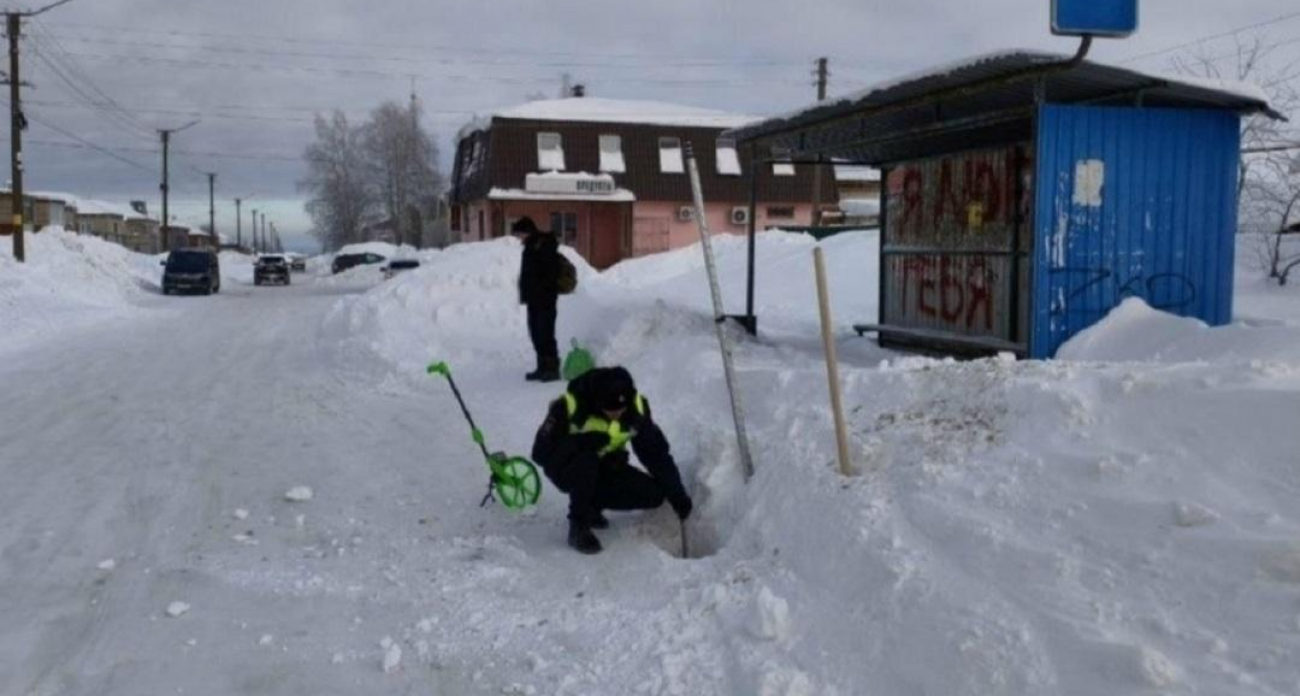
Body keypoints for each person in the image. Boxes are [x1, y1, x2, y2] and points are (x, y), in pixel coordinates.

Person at [531, 366, 693, 554]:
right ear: (597, 402)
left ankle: (593, 505)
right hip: (568, 469)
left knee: (654, 494)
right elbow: (540, 453)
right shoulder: (567, 407)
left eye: (621, 409)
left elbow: (656, 454)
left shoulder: (636, 410)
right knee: (587, 460)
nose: (616, 415)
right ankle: (578, 525)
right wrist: (579, 442)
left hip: (607, 467)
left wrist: (677, 494)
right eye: (610, 410)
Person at [515, 216, 561, 382]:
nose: (518, 238)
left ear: (527, 231)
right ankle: (542, 368)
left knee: (546, 334)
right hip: (534, 300)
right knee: (535, 333)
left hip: (545, 299)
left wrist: (541, 291)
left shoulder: (543, 245)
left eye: (519, 234)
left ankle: (552, 369)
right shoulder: (530, 246)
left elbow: (549, 273)